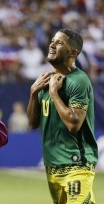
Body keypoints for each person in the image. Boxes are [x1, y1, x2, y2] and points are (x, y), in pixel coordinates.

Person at [27, 28, 98, 204]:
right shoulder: (47, 79)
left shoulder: (78, 80)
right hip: (52, 166)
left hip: (75, 164)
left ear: (72, 52)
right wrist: (33, 93)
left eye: (59, 42)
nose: (51, 44)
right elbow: (33, 123)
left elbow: (74, 123)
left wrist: (54, 94)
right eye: (52, 40)